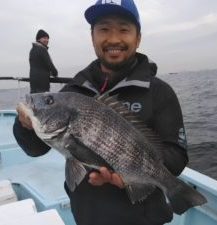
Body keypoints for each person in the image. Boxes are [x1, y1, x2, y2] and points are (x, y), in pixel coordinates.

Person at [13, 0, 188, 224]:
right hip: (86, 217)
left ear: (138, 37)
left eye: (124, 29)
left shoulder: (160, 92)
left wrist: (133, 176)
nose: (114, 38)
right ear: (92, 36)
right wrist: (25, 124)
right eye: (104, 29)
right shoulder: (73, 91)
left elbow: (177, 156)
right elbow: (35, 149)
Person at [29, 29, 58, 93]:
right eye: (44, 38)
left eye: (48, 38)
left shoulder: (32, 50)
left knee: (36, 100)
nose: (47, 40)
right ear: (39, 39)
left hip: (33, 82)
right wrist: (55, 73)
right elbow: (49, 64)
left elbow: (39, 65)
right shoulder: (42, 49)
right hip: (42, 82)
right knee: (43, 101)